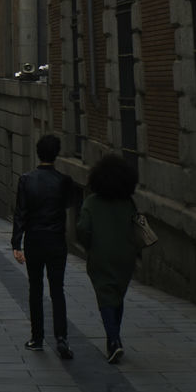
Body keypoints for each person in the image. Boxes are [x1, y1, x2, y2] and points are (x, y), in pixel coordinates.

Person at [11, 133, 76, 360]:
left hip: (34, 241)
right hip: (56, 241)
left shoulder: (26, 180)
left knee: (35, 289)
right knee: (57, 290)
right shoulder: (64, 181)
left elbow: (20, 214)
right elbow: (68, 205)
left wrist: (16, 244)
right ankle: (61, 337)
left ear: (38, 153)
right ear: (56, 154)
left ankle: (37, 338)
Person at [76, 153, 142, 364]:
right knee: (117, 294)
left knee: (105, 296)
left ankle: (113, 341)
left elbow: (83, 230)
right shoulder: (129, 203)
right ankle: (114, 337)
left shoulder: (92, 203)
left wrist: (89, 246)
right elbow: (136, 228)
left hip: (100, 255)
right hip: (126, 256)